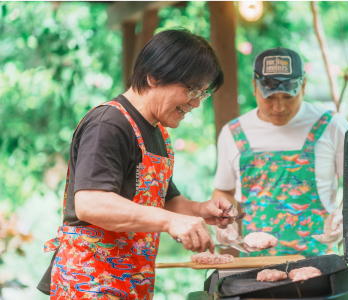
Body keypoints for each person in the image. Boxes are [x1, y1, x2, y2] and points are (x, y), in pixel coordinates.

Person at [38, 28, 235, 300]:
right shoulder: (108, 124)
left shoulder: (158, 133)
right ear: (153, 77)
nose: (196, 103)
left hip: (130, 282)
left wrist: (201, 210)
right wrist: (170, 222)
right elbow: (91, 203)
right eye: (192, 90)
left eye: (202, 93)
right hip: (89, 283)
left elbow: (164, 200)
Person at [213, 47, 348, 257]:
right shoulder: (233, 133)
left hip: (320, 263)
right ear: (254, 87)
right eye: (269, 97)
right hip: (254, 265)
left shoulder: (332, 125)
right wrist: (224, 219)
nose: (278, 107)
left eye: (288, 97)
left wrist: (345, 213)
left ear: (303, 86)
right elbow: (224, 190)